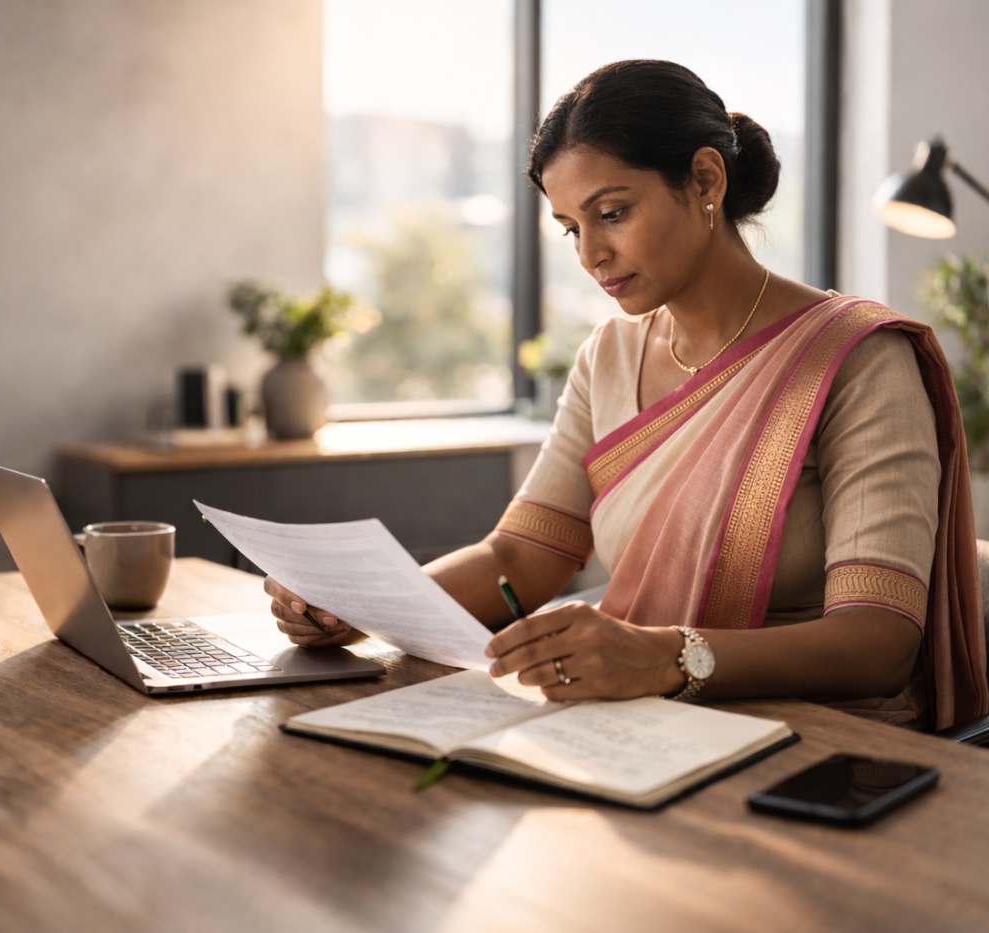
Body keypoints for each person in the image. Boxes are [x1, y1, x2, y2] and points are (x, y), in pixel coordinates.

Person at [267, 60, 988, 731]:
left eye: (611, 213)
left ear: (706, 182)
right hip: (633, 727)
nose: (589, 255)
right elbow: (520, 559)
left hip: (817, 746)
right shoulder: (608, 356)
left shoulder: (859, 360)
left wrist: (667, 657)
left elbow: (879, 642)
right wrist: (358, 606)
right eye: (571, 228)